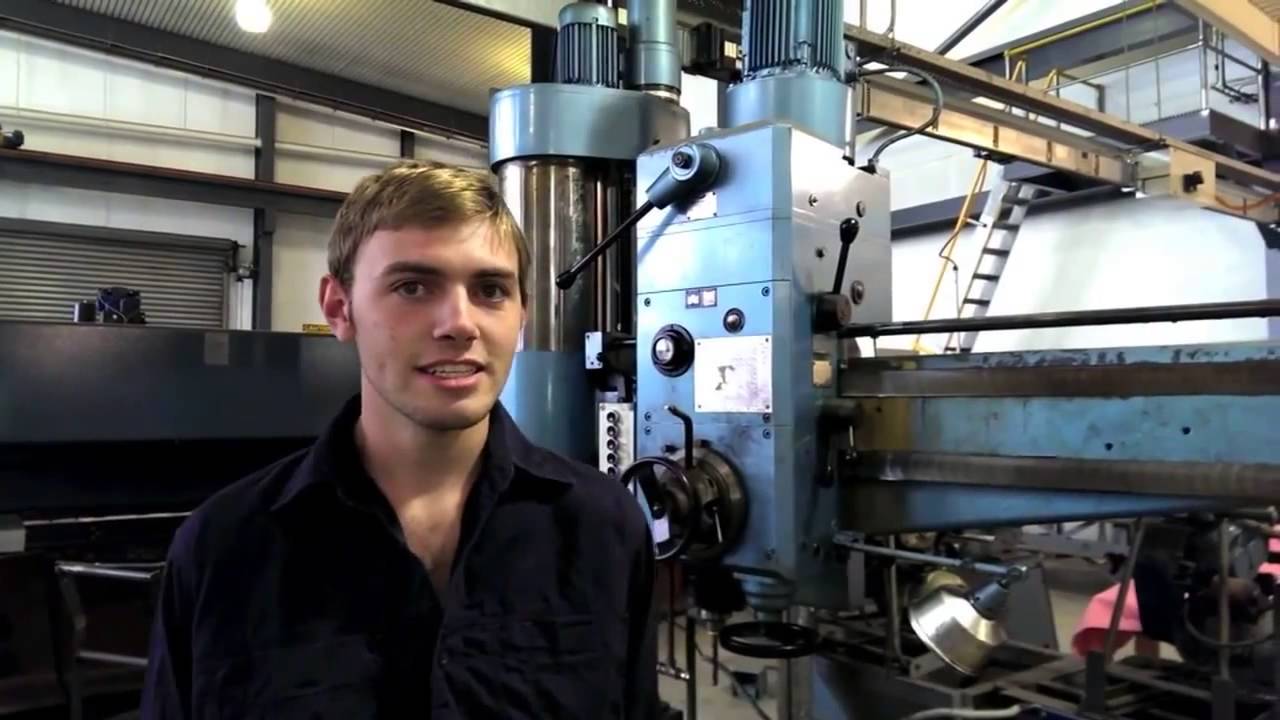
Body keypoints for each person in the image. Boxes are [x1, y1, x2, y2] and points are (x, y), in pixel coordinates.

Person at [140, 161, 657, 719]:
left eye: (490, 289)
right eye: (412, 286)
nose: (460, 324)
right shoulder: (224, 549)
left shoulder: (604, 532)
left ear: (521, 314)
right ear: (340, 309)